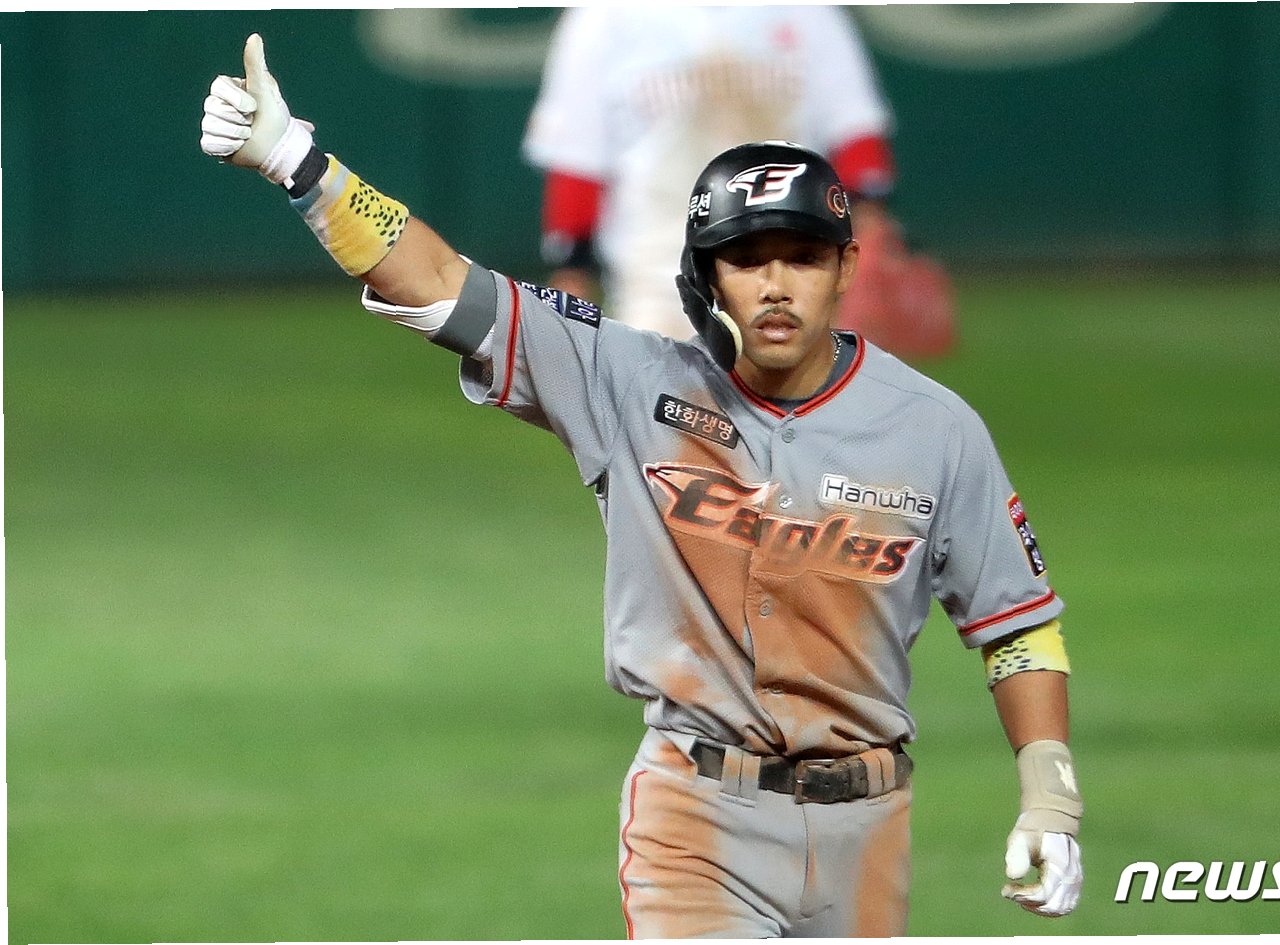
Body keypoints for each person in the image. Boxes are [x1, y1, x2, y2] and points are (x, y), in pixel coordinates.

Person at [200, 34, 1082, 938]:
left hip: (871, 831)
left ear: (846, 268)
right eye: (747, 259)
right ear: (705, 277)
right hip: (696, 818)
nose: (777, 286)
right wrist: (294, 160)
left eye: (804, 257)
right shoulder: (627, 382)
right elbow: (439, 285)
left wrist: (1050, 795)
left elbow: (1015, 624)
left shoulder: (935, 428)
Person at [522, 6, 956, 358]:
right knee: (671, 426)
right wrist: (572, 278)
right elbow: (578, 161)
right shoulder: (604, 18)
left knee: (796, 428)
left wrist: (871, 234)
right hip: (660, 281)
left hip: (791, 272)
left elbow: (855, 131)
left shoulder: (808, 12)